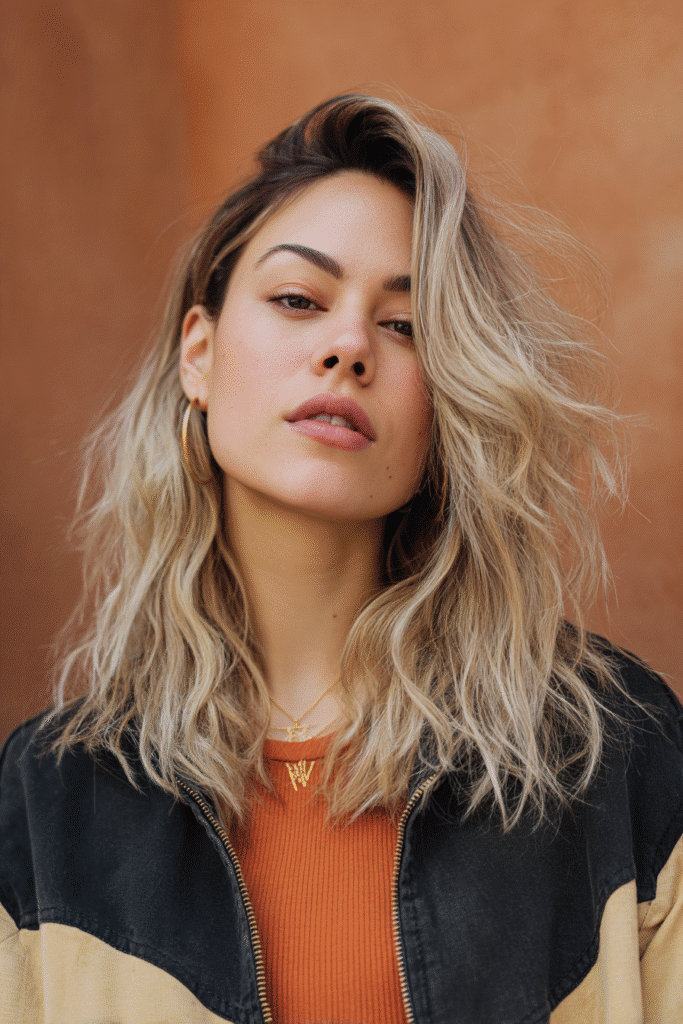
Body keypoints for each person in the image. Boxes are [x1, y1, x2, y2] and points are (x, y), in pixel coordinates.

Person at [0, 93, 681, 1024]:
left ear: (448, 404)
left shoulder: (617, 754)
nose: (348, 346)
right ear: (198, 355)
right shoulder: (47, 800)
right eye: (296, 300)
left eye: (405, 326)